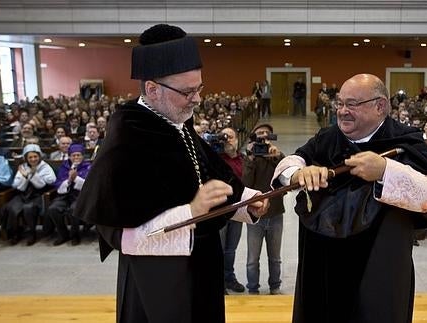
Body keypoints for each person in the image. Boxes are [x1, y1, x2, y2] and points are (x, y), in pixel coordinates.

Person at [73, 24, 268, 323]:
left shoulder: (176, 120)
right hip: (160, 277)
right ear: (152, 89)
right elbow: (117, 230)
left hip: (202, 263)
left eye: (199, 88)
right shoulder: (127, 134)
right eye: (188, 91)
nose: (197, 99)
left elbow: (207, 171)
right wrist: (189, 211)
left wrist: (246, 200)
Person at [272, 74, 427, 323]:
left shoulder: (405, 141)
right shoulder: (328, 138)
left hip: (378, 270)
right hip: (325, 270)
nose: (343, 111)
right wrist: (298, 173)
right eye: (340, 103)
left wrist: (386, 171)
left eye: (352, 104)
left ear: (380, 106)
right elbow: (291, 162)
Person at [243, 123, 285, 295]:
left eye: (266, 134)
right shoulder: (249, 158)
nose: (263, 137)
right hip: (255, 216)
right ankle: (253, 288)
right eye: (259, 134)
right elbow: (245, 185)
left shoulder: (277, 156)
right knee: (252, 258)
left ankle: (275, 286)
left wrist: (278, 157)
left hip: (275, 213)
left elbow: (285, 181)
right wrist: (251, 160)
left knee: (275, 258)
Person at [4, 144, 56, 246]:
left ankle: (32, 234)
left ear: (39, 157)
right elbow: (19, 187)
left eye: (35, 157)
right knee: (11, 207)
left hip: (38, 195)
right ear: (26, 158)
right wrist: (25, 176)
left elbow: (41, 185)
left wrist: (28, 175)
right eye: (30, 157)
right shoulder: (22, 167)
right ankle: (15, 234)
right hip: (23, 194)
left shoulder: (45, 167)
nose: (33, 159)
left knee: (29, 208)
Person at [218, 127, 246, 293]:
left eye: (231, 137)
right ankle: (219, 280)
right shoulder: (216, 158)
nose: (228, 140)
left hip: (237, 209)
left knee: (231, 248)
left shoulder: (243, 159)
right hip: (220, 210)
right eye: (224, 137)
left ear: (237, 139)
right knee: (219, 248)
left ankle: (229, 277)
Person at [46, 144, 91, 246]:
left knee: (74, 209)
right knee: (53, 208)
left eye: (78, 155)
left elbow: (89, 186)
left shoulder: (87, 166)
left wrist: (76, 179)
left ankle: (75, 235)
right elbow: (58, 185)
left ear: (83, 156)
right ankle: (63, 234)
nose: (76, 158)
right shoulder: (64, 166)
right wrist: (69, 180)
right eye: (73, 155)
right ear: (69, 156)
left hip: (81, 196)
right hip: (64, 195)